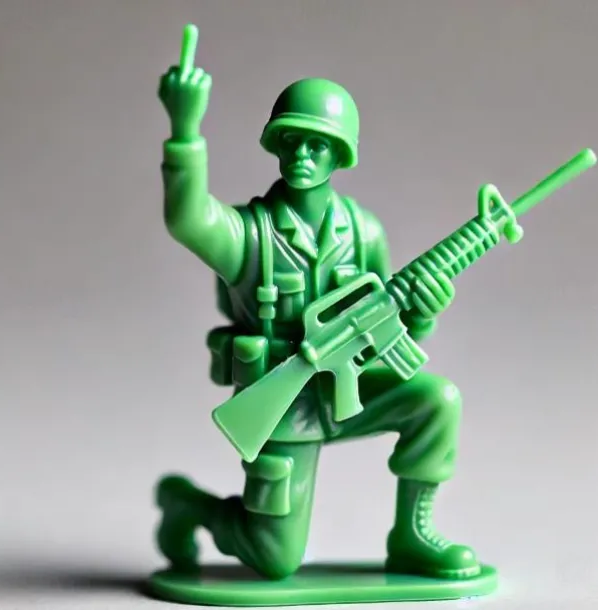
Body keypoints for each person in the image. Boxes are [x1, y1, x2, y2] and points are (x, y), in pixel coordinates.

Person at [154, 24, 480, 581]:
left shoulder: (363, 232)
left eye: (318, 144)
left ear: (339, 155)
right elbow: (188, 218)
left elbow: (393, 330)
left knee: (436, 400)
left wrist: (423, 309)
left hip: (347, 388)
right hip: (283, 401)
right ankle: (190, 504)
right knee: (274, 559)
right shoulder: (249, 235)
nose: (301, 155)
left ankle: (411, 536)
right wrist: (185, 128)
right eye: (291, 141)